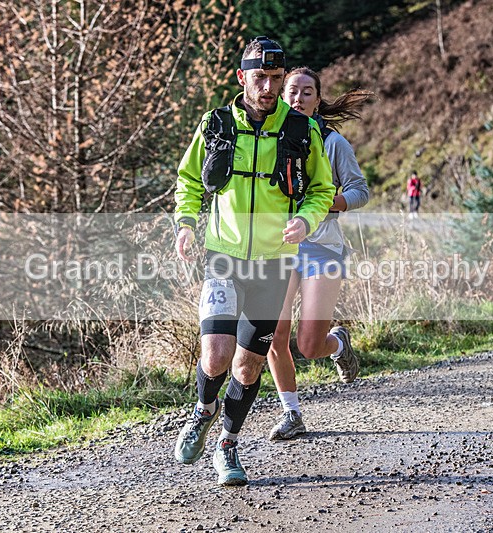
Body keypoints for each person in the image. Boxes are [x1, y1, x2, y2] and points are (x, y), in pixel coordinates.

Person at [172, 37, 335, 486]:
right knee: (216, 355)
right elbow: (188, 180)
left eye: (275, 79)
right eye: (259, 78)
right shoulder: (216, 123)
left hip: (273, 265)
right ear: (242, 77)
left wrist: (304, 221)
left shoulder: (302, 131)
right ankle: (204, 409)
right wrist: (186, 224)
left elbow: (321, 189)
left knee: (247, 366)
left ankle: (227, 444)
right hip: (224, 257)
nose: (267, 87)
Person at [266, 66, 372, 440]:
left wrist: (326, 205)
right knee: (273, 335)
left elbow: (360, 190)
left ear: (317, 99)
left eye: (307, 92)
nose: (298, 98)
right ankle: (291, 414)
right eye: (292, 91)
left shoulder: (332, 142)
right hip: (277, 246)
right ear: (282, 95)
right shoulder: (268, 138)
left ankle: (338, 343)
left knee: (310, 345)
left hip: (321, 247)